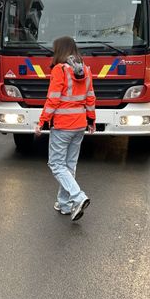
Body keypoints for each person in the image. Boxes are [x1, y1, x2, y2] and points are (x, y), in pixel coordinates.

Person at [35, 36, 96, 221]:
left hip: (63, 125)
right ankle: (64, 204)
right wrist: (91, 120)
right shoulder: (85, 69)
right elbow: (91, 97)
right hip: (79, 125)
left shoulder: (60, 70)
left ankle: (78, 197)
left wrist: (42, 121)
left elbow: (53, 99)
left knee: (55, 164)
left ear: (59, 50)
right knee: (69, 165)